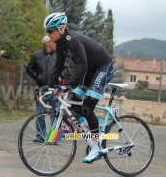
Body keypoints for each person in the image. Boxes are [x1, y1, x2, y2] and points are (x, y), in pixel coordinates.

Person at [42, 13, 114, 163]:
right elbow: (58, 65)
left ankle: (97, 146)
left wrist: (68, 85)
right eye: (46, 32)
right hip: (90, 71)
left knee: (87, 106)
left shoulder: (72, 39)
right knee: (73, 102)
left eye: (50, 31)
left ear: (61, 28)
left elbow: (82, 65)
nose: (48, 35)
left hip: (102, 66)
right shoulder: (61, 44)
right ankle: (92, 127)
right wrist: (47, 86)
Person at [26, 35, 68, 142]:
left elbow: (66, 68)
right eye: (54, 42)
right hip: (41, 88)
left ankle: (54, 138)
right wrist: (39, 78)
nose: (56, 44)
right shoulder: (36, 55)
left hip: (55, 89)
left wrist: (60, 76)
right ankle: (40, 137)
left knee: (55, 113)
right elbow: (29, 68)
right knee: (40, 113)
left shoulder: (59, 55)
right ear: (47, 43)